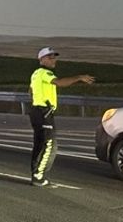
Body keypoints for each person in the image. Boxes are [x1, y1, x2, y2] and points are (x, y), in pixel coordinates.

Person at [29, 47, 95, 187]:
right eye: (49, 57)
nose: (53, 60)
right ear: (41, 59)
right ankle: (38, 176)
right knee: (50, 144)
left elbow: (30, 90)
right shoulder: (44, 73)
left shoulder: (35, 74)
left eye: (54, 57)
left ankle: (36, 172)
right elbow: (59, 83)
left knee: (40, 144)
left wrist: (37, 101)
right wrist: (79, 77)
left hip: (37, 111)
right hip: (43, 112)